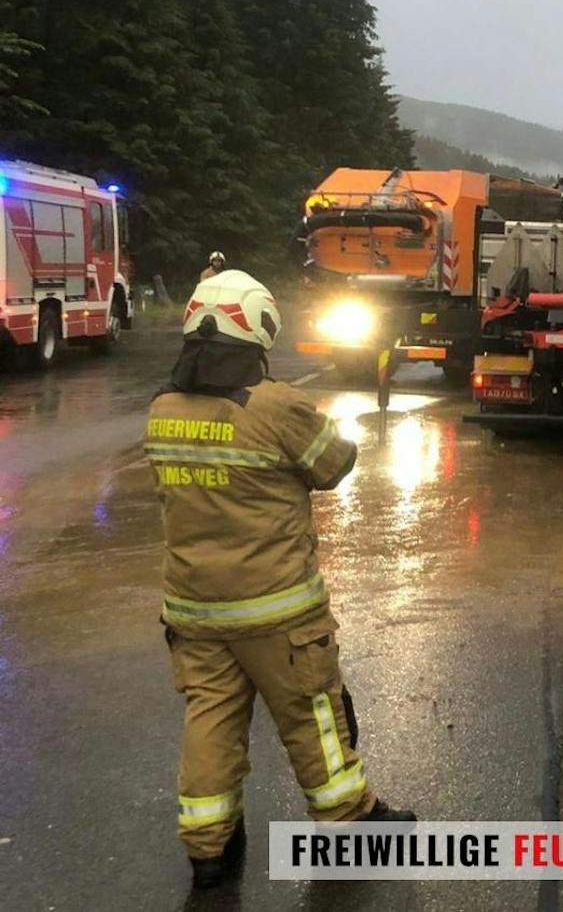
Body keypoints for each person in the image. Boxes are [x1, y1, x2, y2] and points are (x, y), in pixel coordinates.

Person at [146, 270, 413, 890]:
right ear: (258, 330)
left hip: (194, 612)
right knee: (312, 714)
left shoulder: (161, 410)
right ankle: (349, 822)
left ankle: (208, 848)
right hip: (277, 611)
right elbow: (334, 462)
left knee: (211, 720)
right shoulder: (275, 405)